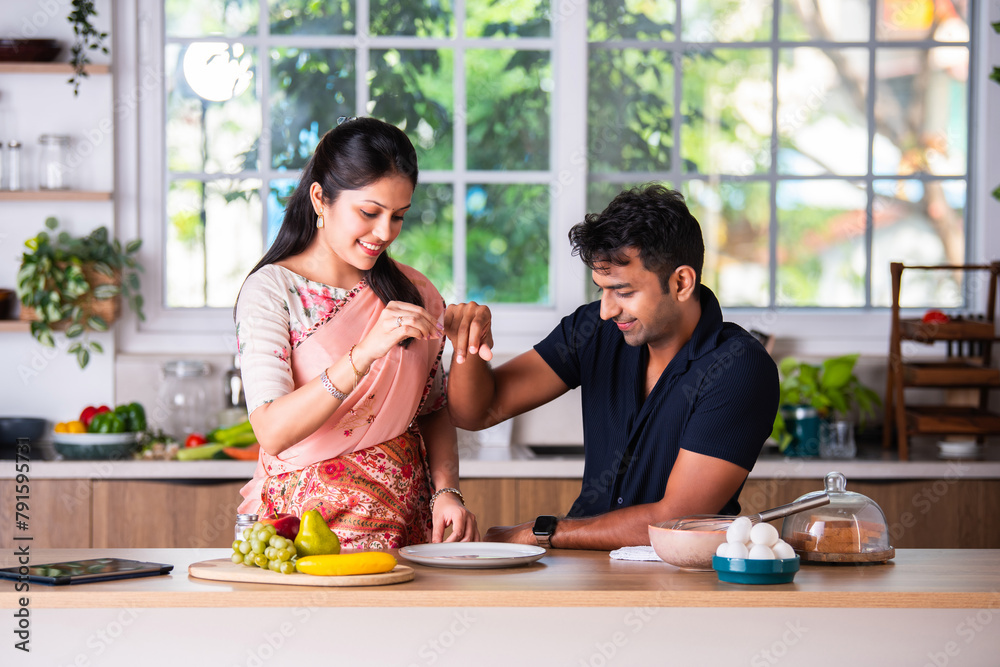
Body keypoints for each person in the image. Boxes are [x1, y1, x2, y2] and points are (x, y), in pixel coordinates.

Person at [444, 184, 778, 550]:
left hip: (679, 581)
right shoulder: (596, 331)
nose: (606, 309)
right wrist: (467, 344)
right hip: (585, 567)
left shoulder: (739, 367)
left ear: (681, 282)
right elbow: (476, 412)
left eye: (623, 291)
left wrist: (540, 531)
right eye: (601, 289)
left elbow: (676, 521)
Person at [235, 117, 478, 549]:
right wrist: (363, 355)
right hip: (303, 532)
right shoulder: (273, 291)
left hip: (407, 527)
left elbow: (433, 407)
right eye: (369, 212)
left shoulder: (415, 291)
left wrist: (447, 492)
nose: (384, 232)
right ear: (320, 199)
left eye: (398, 216)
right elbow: (272, 430)